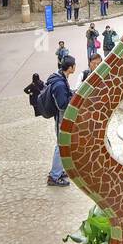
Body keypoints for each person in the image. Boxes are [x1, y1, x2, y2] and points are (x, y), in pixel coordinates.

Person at [44, 55, 76, 187]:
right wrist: (74, 99)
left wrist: (73, 93)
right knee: (60, 146)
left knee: (63, 146)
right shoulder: (59, 84)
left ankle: (59, 171)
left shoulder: (61, 78)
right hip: (61, 119)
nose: (75, 67)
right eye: (74, 65)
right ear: (70, 67)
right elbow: (62, 105)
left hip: (62, 118)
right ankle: (54, 176)